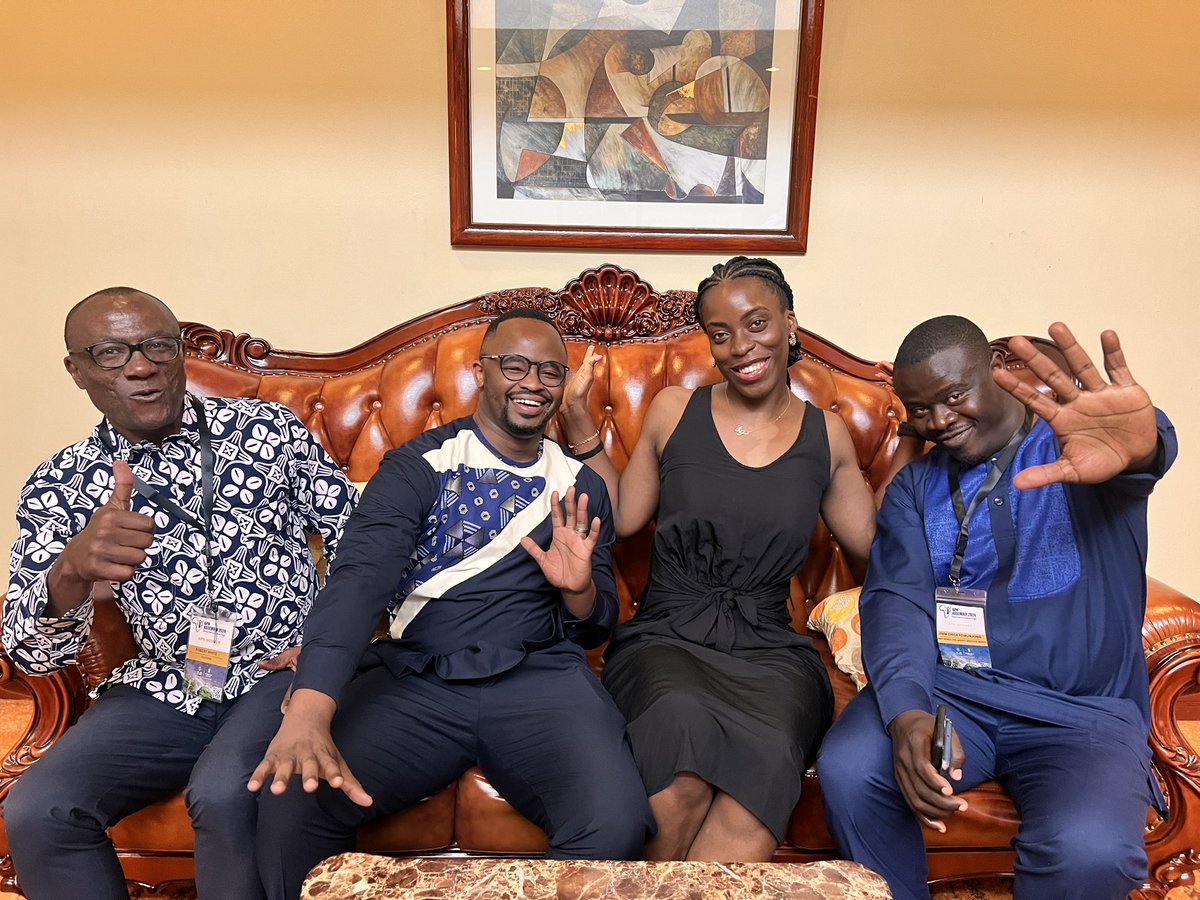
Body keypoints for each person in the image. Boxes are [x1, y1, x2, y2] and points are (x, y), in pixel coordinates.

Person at [247, 308, 654, 900]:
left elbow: (597, 625)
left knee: (615, 824)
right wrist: (310, 710)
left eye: (550, 371)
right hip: (419, 678)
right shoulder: (418, 466)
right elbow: (359, 582)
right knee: (294, 799)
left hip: (540, 678)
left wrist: (578, 589)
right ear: (480, 371)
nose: (533, 383)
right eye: (515, 365)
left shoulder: (580, 484)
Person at [2, 288, 358, 900]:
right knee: (39, 809)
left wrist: (333, 645)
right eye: (111, 353)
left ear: (179, 354)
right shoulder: (62, 481)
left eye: (155, 347)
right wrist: (71, 572)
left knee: (227, 793)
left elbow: (362, 542)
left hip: (278, 673)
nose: (140, 367)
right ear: (77, 370)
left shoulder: (269, 432)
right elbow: (30, 654)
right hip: (167, 683)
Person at [817, 316, 1177, 900]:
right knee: (852, 768)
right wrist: (907, 711)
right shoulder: (914, 488)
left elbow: (1140, 453)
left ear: (998, 372)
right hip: (954, 694)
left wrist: (1145, 447)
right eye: (919, 409)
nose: (938, 421)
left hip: (1080, 711)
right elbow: (897, 602)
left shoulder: (1079, 449)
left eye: (954, 395)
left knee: (1091, 850)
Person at [558, 257, 876, 861]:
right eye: (720, 333)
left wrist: (918, 445)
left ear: (788, 322)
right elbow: (623, 519)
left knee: (755, 798)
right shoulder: (673, 411)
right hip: (666, 636)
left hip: (769, 652)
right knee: (679, 763)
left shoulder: (826, 436)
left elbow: (878, 549)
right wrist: (581, 431)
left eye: (757, 323)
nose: (740, 346)